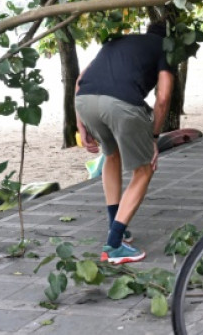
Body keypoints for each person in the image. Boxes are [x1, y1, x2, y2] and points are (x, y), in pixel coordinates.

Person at [75, 21, 174, 264]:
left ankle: (114, 225)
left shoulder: (118, 40)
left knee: (111, 155)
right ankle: (115, 244)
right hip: (121, 105)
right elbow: (163, 98)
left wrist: (80, 124)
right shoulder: (166, 48)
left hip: (85, 101)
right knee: (144, 169)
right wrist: (153, 137)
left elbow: (79, 80)